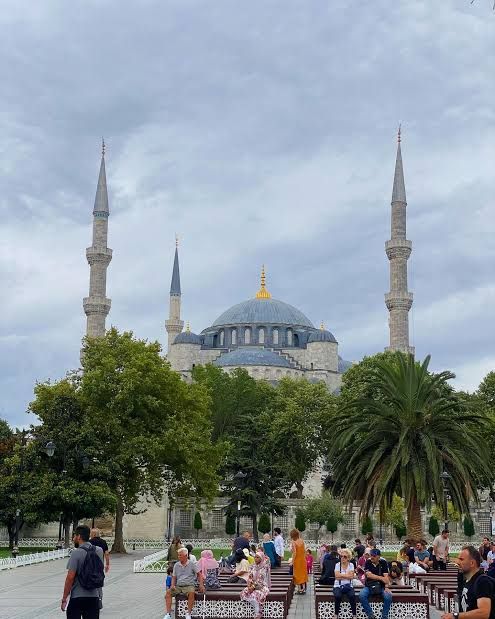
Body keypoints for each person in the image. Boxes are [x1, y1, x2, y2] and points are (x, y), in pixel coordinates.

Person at [61, 525, 104, 619]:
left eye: (74, 536)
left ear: (79, 537)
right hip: (94, 596)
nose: (73, 539)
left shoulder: (76, 553)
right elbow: (99, 572)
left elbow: (70, 577)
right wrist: (100, 596)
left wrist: (64, 598)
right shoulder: (99, 551)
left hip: (77, 596)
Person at [441, 545, 495, 619]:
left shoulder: (482, 581)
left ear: (472, 563)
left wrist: (455, 615)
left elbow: (484, 612)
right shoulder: (466, 581)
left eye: (461, 559)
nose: (457, 562)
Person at [164, 547, 204, 619]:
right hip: (178, 586)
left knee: (191, 593)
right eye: (178, 555)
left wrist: (201, 585)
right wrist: (172, 585)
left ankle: (188, 614)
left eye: (180, 555)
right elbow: (174, 577)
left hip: (189, 585)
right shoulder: (176, 565)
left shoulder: (192, 564)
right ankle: (168, 614)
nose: (178, 557)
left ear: (186, 556)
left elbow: (199, 575)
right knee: (168, 593)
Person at [359, 549, 392, 619]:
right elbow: (369, 575)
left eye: (374, 555)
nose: (372, 557)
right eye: (371, 555)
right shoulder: (368, 562)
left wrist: (386, 587)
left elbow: (386, 577)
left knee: (388, 596)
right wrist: (381, 578)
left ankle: (384, 616)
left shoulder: (383, 562)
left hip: (381, 586)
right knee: (362, 595)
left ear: (378, 557)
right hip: (369, 585)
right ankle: (371, 615)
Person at [240, 551, 271, 619]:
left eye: (257, 557)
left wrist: (253, 587)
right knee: (244, 592)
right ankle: (256, 606)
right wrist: (249, 586)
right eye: (255, 557)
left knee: (256, 594)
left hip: (261, 586)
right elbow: (250, 577)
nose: (255, 559)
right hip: (252, 586)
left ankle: (258, 612)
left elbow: (261, 580)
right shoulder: (253, 566)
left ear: (261, 558)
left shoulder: (264, 567)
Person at [89, 528, 110, 610]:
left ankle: (92, 600)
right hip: (100, 566)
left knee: (90, 583)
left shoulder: (89, 542)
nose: (90, 535)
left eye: (91, 534)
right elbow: (106, 554)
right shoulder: (103, 542)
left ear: (93, 534)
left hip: (90, 566)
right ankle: (99, 599)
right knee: (99, 584)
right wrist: (107, 564)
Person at [334, 549, 357, 619]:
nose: (342, 558)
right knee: (338, 596)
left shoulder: (351, 565)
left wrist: (341, 575)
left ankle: (354, 614)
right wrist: (347, 575)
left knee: (352, 596)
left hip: (348, 585)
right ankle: (336, 614)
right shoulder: (337, 565)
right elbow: (336, 577)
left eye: (345, 557)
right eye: (341, 556)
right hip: (338, 585)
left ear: (348, 558)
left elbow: (351, 577)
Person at [290, 528, 308, 594]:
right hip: (303, 560)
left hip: (297, 560)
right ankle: (304, 588)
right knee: (303, 574)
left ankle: (300, 589)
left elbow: (294, 553)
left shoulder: (293, 542)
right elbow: (304, 551)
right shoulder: (302, 541)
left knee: (297, 575)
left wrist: (292, 561)